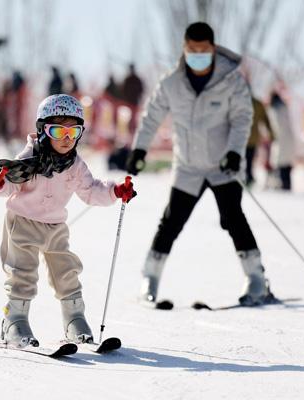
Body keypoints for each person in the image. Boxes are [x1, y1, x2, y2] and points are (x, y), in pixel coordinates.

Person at [125, 22, 276, 307]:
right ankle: (150, 277)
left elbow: (243, 118)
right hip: (188, 166)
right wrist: (139, 149)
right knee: (171, 221)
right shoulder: (171, 83)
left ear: (213, 49)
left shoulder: (231, 80)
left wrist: (234, 152)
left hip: (223, 166)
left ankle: (256, 278)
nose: (197, 55)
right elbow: (152, 116)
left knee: (233, 218)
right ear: (184, 49)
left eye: (203, 50)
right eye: (192, 50)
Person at [0, 94, 137, 347]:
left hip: (55, 226)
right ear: (42, 131)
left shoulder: (74, 164)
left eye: (73, 131)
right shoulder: (29, 159)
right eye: (57, 130)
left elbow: (91, 190)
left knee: (66, 271)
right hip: (23, 222)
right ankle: (14, 321)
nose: (66, 139)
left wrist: (114, 191)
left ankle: (74, 319)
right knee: (22, 273)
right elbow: (9, 184)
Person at [268, 92, 295, 191]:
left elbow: (275, 128)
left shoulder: (274, 111)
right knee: (286, 167)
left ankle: (282, 187)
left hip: (280, 141)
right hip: (289, 141)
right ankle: (286, 186)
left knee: (281, 166)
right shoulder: (285, 108)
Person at [246, 96, 276, 186]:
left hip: (247, 138)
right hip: (252, 138)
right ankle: (248, 177)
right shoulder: (257, 103)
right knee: (249, 160)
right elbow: (266, 120)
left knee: (246, 160)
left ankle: (248, 178)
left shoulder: (239, 101)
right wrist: (271, 133)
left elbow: (265, 119)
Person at [121, 64, 144, 134]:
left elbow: (141, 89)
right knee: (127, 117)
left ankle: (133, 129)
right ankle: (128, 130)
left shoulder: (136, 79)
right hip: (128, 101)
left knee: (133, 117)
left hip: (134, 101)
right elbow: (123, 90)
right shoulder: (128, 79)